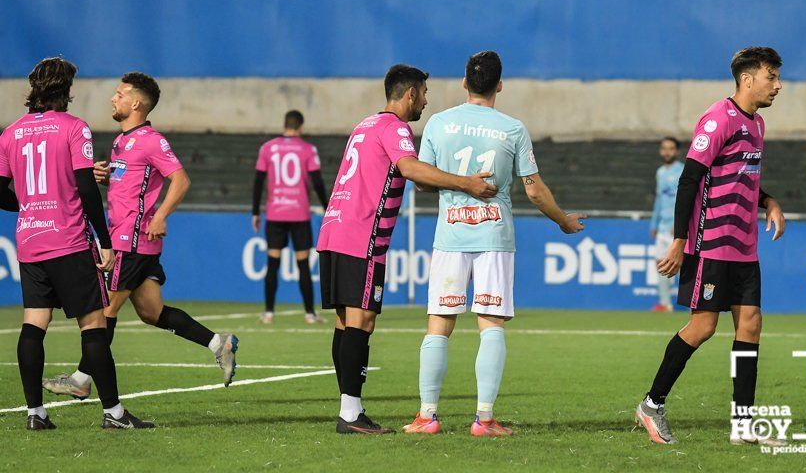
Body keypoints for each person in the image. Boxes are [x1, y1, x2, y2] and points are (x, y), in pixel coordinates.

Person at [402, 51, 586, 437]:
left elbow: (421, 181)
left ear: (465, 83)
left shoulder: (439, 122)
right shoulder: (513, 129)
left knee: (439, 324)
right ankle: (484, 420)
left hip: (450, 236)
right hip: (494, 237)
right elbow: (534, 191)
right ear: (500, 85)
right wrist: (563, 220)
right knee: (491, 326)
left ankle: (427, 416)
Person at [317, 64, 498, 435]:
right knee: (361, 321)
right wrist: (465, 183)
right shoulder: (395, 128)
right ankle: (350, 415)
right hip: (361, 235)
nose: (426, 101)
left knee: (344, 322)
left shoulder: (364, 125)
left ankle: (350, 409)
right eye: (425, 93)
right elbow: (411, 168)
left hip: (334, 229)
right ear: (410, 93)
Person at [42, 72, 239, 402]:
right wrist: (107, 177)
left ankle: (80, 379)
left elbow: (181, 180)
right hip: (130, 240)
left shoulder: (151, 140)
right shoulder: (121, 141)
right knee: (152, 312)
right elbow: (132, 184)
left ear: (136, 103)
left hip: (131, 242)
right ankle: (221, 344)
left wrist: (160, 215)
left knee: (104, 310)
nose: (113, 99)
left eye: (119, 94)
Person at [635, 47, 786, 446]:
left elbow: (742, 179)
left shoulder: (757, 125)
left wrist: (769, 201)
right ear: (748, 79)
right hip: (711, 244)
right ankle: (652, 404)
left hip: (744, 246)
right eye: (771, 76)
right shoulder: (719, 118)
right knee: (703, 327)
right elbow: (689, 179)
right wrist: (679, 241)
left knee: (750, 325)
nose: (778, 85)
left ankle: (743, 424)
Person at [0, 58, 152, 429]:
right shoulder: (74, 128)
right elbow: (86, 189)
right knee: (94, 325)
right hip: (68, 240)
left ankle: (35, 414)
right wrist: (105, 240)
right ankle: (114, 414)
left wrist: (29, 203)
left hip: (31, 240)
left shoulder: (10, 133)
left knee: (34, 324)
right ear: (65, 90)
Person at [252, 110, 328, 325]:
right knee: (303, 265)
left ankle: (268, 313)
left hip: (275, 213)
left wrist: (256, 212)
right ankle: (310, 314)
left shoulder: (267, 148)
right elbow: (318, 181)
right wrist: (328, 208)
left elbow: (258, 181)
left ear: (284, 124)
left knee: (272, 263)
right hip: (299, 213)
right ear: (301, 126)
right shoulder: (308, 149)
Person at [649, 137, 684, 312]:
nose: (667, 152)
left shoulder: (682, 171)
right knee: (661, 264)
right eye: (664, 148)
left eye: (671, 148)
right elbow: (659, 199)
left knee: (683, 264)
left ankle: (693, 303)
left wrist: (680, 224)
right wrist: (654, 223)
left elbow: (686, 200)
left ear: (677, 152)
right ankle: (665, 303)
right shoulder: (660, 172)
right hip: (663, 227)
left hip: (677, 229)